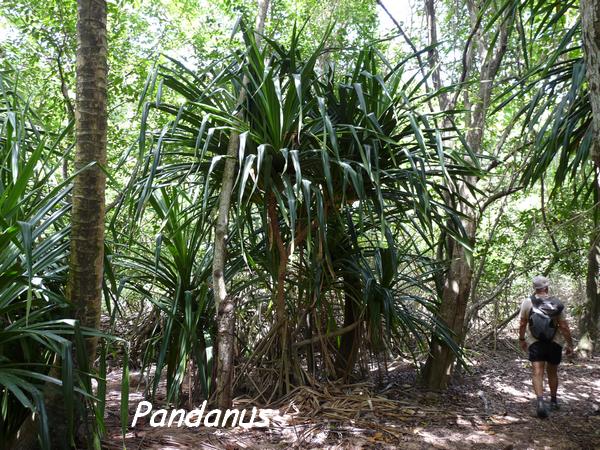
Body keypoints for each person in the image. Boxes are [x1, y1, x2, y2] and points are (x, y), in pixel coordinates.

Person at [518, 275, 574, 418]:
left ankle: (540, 403)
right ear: (547, 287)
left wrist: (522, 339)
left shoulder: (527, 302)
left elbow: (523, 323)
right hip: (554, 342)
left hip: (535, 342)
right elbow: (564, 326)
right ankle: (554, 401)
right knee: (552, 372)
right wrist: (569, 344)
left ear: (534, 288)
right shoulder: (556, 303)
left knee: (537, 372)